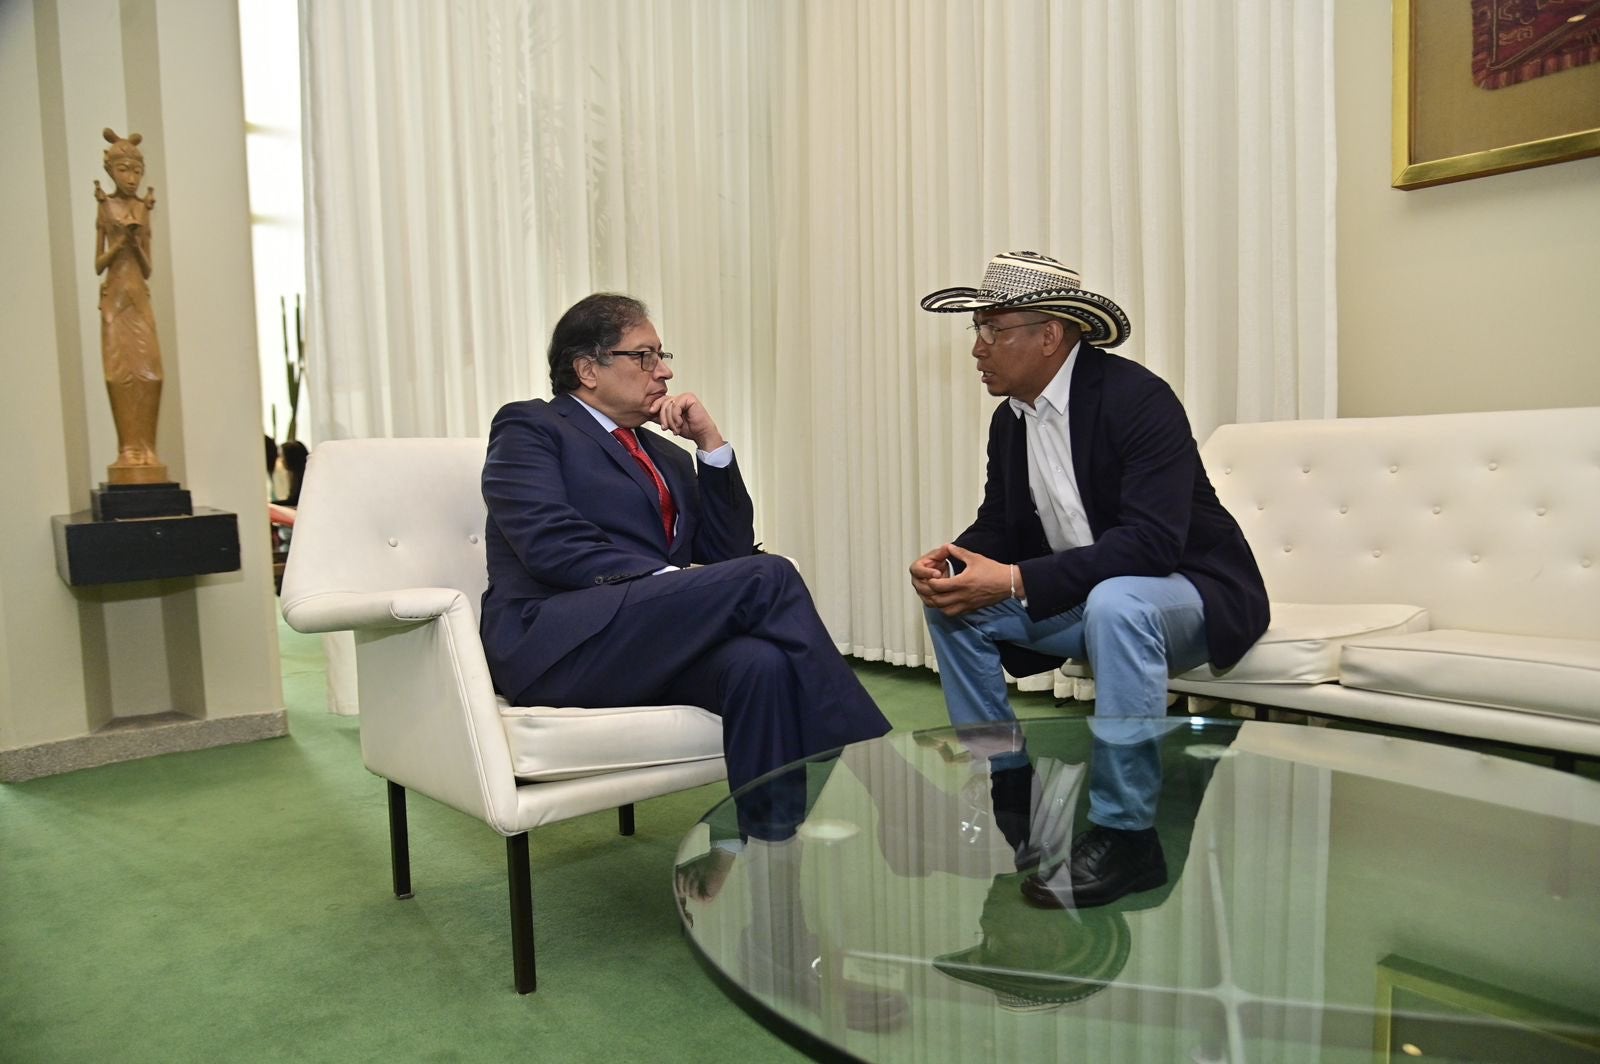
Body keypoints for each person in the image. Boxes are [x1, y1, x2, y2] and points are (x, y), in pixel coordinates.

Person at [908, 251, 1269, 909]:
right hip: (1093, 596)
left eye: (994, 328)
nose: (978, 348)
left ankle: (1128, 837)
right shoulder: (1009, 419)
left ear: (1050, 335)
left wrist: (1015, 579)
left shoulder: (1137, 399)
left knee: (1118, 602)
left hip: (1186, 593)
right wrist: (954, 562)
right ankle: (1010, 788)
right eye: (976, 331)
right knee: (954, 606)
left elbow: (1154, 544)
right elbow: (1001, 522)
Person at [480, 293, 891, 855]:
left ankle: (762, 861)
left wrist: (710, 447)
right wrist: (671, 580)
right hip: (559, 644)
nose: (665, 370)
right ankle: (884, 775)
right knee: (768, 577)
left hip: (644, 640)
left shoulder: (668, 456)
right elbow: (552, 547)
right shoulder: (531, 426)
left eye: (662, 355)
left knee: (761, 664)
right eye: (644, 356)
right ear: (587, 369)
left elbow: (729, 555)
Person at [94, 127, 166, 483]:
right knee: (117, 374)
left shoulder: (142, 207)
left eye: (136, 170)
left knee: (152, 375)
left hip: (139, 296)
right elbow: (98, 264)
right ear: (111, 171)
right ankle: (128, 449)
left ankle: (147, 448)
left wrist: (135, 243)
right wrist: (119, 241)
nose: (131, 177)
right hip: (115, 298)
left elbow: (148, 268)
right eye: (124, 170)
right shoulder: (105, 206)